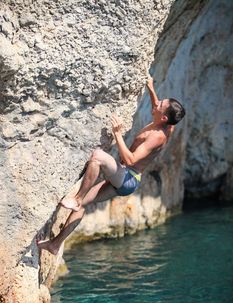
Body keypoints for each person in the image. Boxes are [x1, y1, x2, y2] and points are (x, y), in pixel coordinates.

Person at [37, 77, 185, 255]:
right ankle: (54, 244)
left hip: (128, 177)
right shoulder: (168, 124)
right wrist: (151, 88)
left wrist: (117, 134)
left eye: (160, 104)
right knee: (84, 205)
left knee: (97, 157)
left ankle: (76, 199)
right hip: (124, 176)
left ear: (163, 117)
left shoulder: (158, 137)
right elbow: (158, 107)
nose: (157, 103)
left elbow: (130, 160)